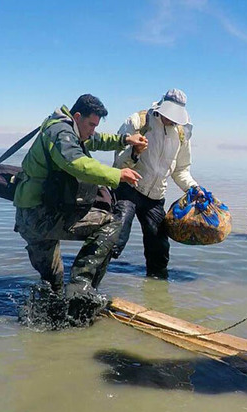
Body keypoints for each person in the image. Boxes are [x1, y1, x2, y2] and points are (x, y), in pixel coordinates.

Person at [13, 94, 147, 313]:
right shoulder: (60, 133)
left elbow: (95, 140)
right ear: (77, 116)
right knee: (111, 223)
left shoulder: (67, 128)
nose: (93, 130)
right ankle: (81, 288)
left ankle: (49, 326)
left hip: (34, 215)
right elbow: (77, 163)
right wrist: (117, 174)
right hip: (40, 217)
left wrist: (125, 140)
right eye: (91, 124)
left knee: (52, 285)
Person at [112, 89, 202, 279]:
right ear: (160, 108)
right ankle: (89, 281)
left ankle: (157, 291)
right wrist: (134, 152)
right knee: (115, 238)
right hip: (129, 188)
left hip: (155, 197)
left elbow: (181, 170)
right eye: (170, 115)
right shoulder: (138, 121)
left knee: (159, 249)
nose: (172, 120)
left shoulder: (181, 133)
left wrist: (193, 188)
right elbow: (119, 163)